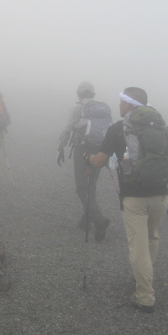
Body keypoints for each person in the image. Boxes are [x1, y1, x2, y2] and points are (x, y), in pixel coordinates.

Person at [86, 87, 168, 313]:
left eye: (122, 102)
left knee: (138, 246)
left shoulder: (118, 128)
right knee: (153, 237)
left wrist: (88, 157)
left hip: (134, 196)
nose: (119, 106)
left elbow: (99, 161)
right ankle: (144, 278)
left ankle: (144, 295)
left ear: (130, 104)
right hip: (161, 192)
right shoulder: (159, 124)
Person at [57, 81, 110, 240]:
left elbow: (68, 128)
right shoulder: (102, 109)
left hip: (82, 149)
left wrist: (61, 146)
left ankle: (98, 219)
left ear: (79, 94)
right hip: (100, 151)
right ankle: (85, 221)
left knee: (81, 187)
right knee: (91, 185)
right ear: (92, 94)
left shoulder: (76, 107)